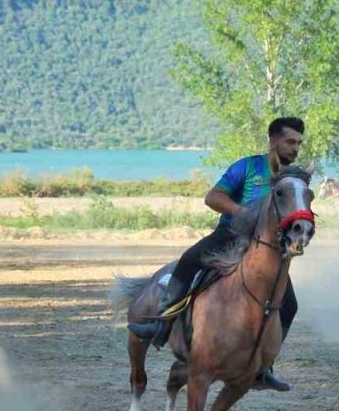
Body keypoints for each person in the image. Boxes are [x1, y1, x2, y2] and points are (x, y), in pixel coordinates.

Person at [129, 117, 306, 391]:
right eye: (290, 141)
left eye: (298, 144)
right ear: (273, 141)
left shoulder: (292, 178)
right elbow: (213, 197)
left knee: (289, 305)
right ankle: (161, 324)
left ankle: (264, 367)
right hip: (228, 237)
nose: (295, 148)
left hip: (267, 252)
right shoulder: (247, 167)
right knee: (188, 261)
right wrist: (240, 212)